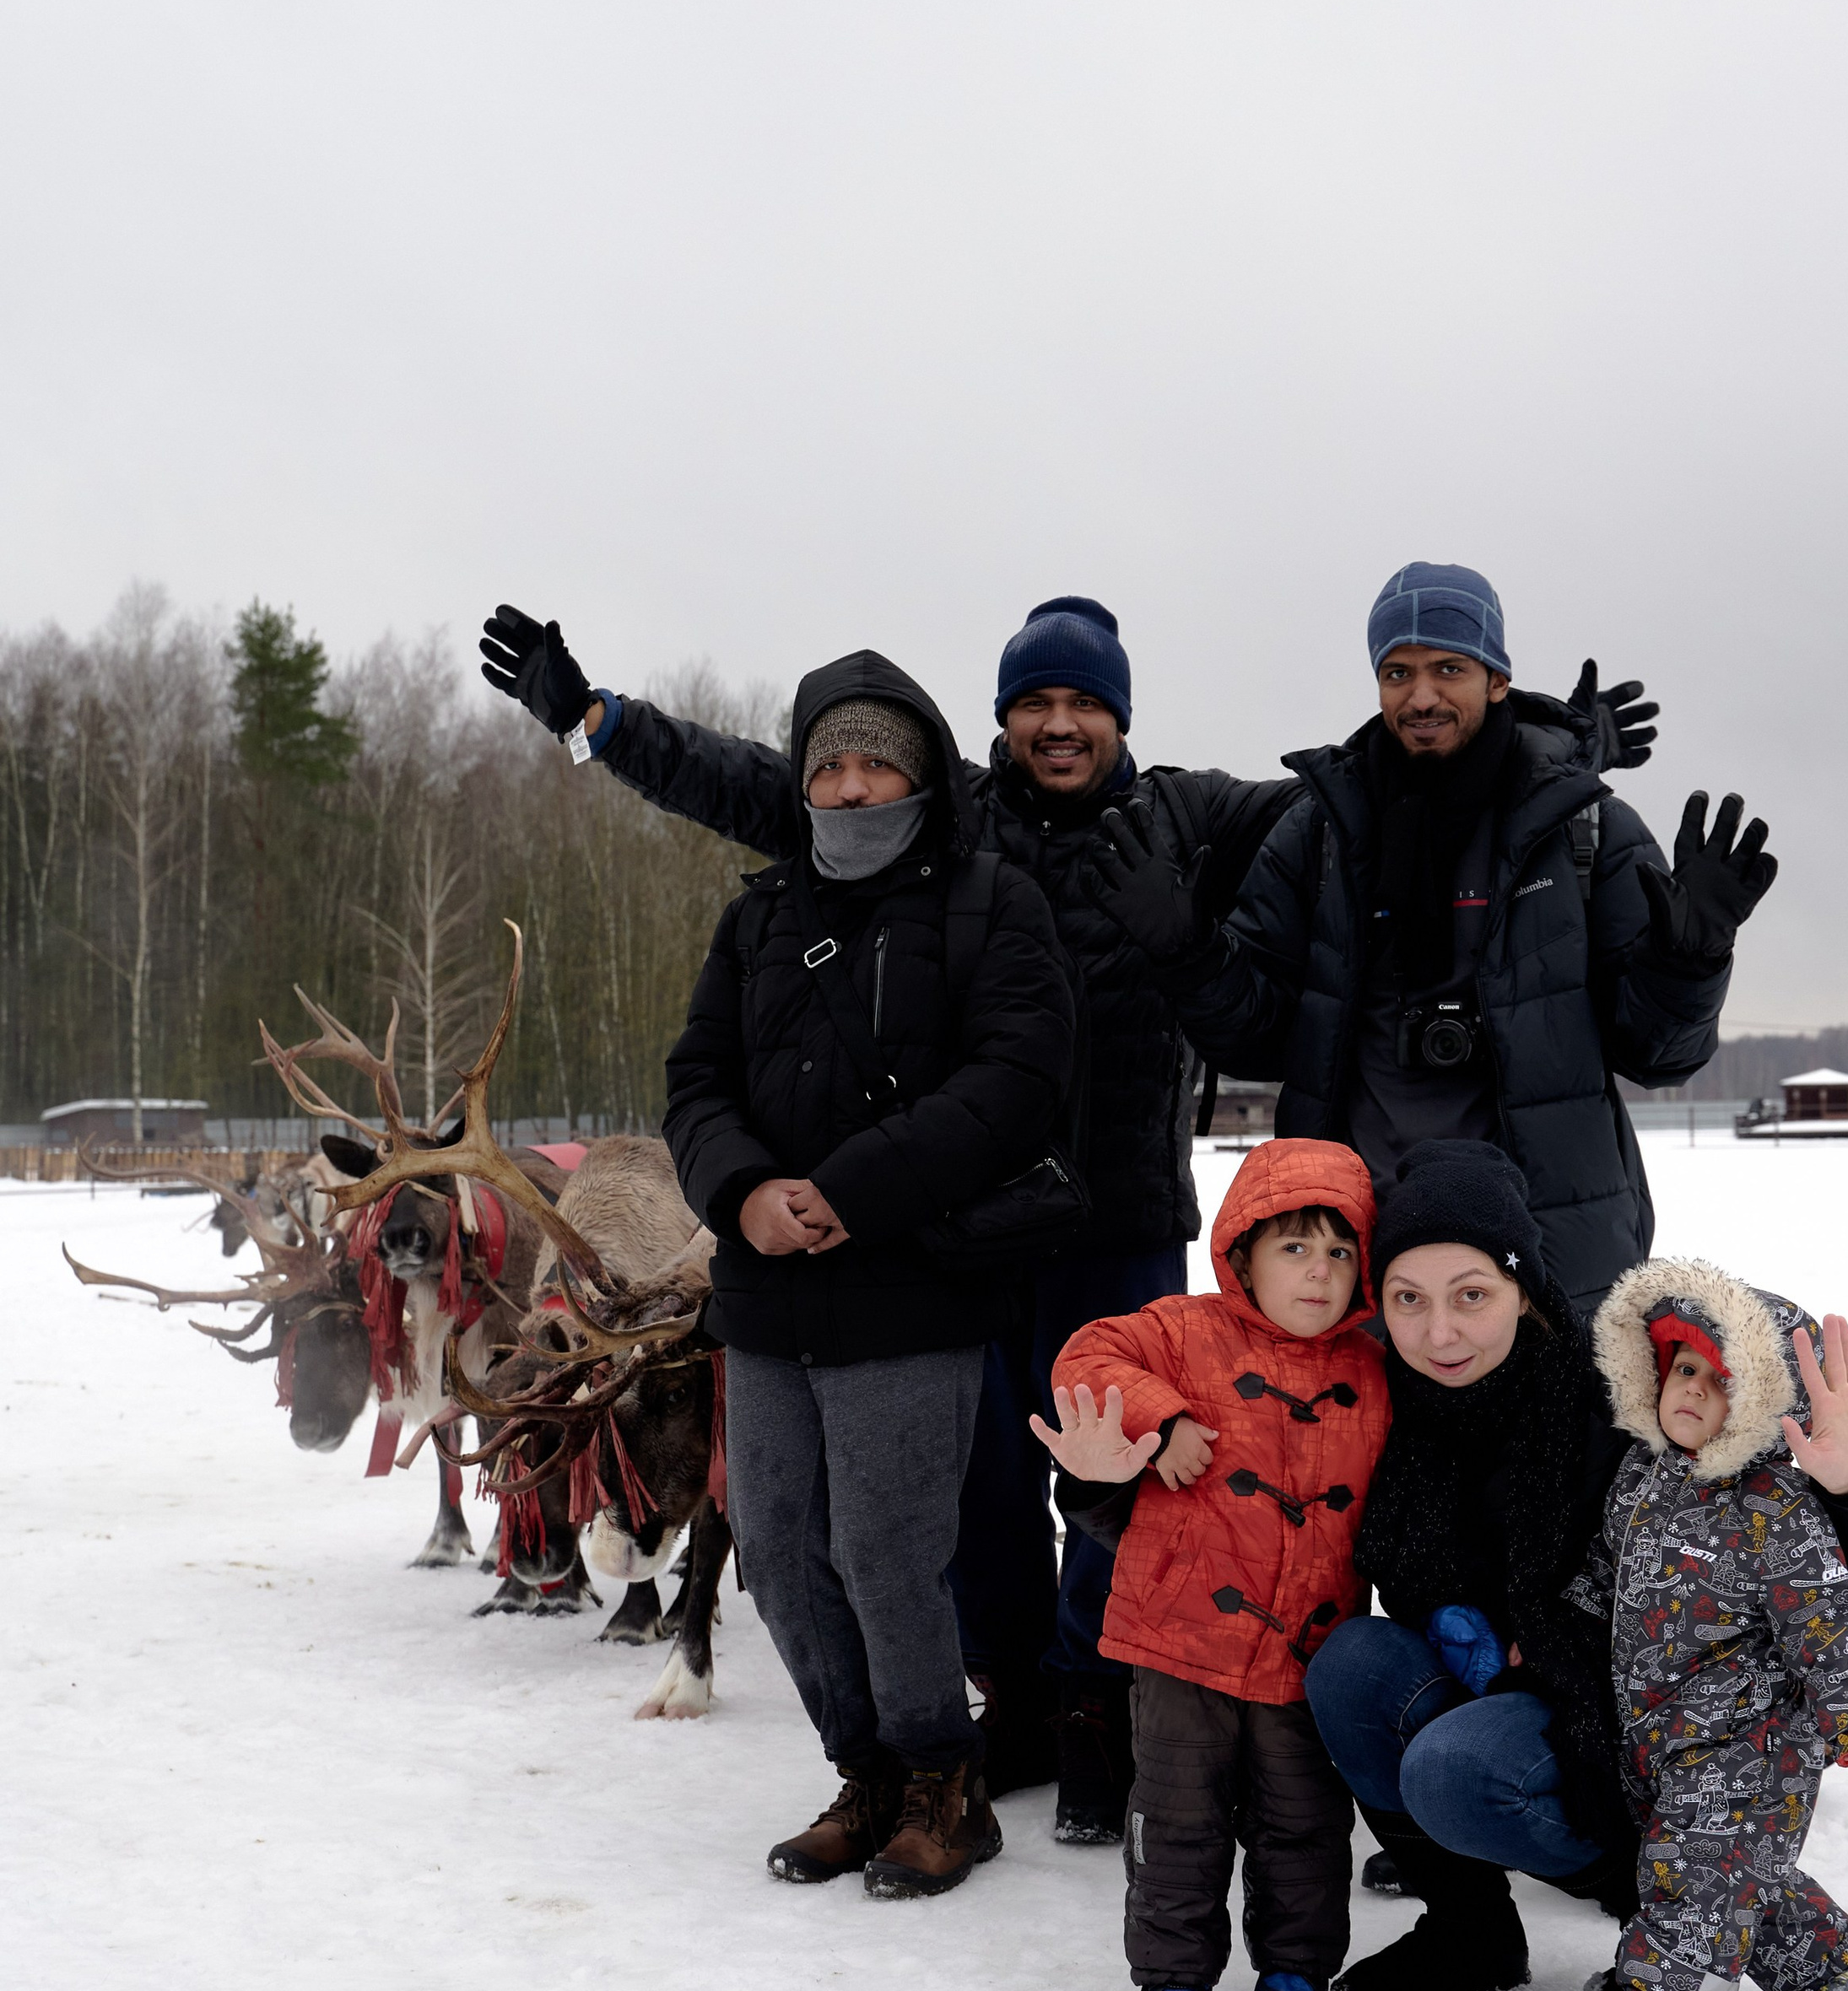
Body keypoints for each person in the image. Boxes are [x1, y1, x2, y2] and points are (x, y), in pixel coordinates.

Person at [478, 594, 1655, 1832]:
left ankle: (1101, 1701)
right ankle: (1020, 1698)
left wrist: (1530, 754)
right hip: (968, 1229)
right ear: (999, 721)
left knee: (1133, 1473)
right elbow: (752, 784)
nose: (1059, 724)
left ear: (1121, 717)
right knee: (983, 1486)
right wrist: (598, 721)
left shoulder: (1192, 817)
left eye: (1084, 702)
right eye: (1035, 702)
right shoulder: (944, 817)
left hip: (1124, 1216)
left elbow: (1368, 795)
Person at [1301, 1140, 1848, 1991]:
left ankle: (1673, 1903)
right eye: (1408, 1299)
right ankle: (1471, 1930)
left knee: (1453, 1773)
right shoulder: (1380, 1400)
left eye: (1472, 1295)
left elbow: (1804, 1579)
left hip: (1634, 1719)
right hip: (1499, 1674)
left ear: (1523, 1290)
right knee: (1353, 1663)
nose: (1440, 1332)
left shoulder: (1618, 1400)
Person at [661, 651, 1074, 1898]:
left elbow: (1015, 1082)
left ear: (924, 775)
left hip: (913, 1288)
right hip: (768, 1290)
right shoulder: (759, 917)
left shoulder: (990, 904)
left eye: (875, 760)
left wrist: (850, 1193)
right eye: (828, 763)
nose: (850, 786)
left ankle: (946, 1783)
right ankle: (867, 1772)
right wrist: (742, 1192)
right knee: (781, 1549)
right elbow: (697, 1081)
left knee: (889, 1552)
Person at [1113, 561, 1767, 1311]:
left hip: (1549, 1265)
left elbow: (1661, 1057)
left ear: (1496, 679)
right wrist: (1188, 954)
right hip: (1353, 1263)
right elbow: (1258, 1041)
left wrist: (1693, 956)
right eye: (1397, 673)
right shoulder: (1320, 833)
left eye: (1448, 668)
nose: (1420, 696)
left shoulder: (1584, 831)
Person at [1029, 1140, 1388, 1991]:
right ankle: (1171, 1978)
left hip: (1307, 1654)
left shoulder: (1376, 1374)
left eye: (1340, 1253)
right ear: (1242, 1256)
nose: (1319, 1273)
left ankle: (1297, 1967)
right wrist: (1164, 1417)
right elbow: (1086, 1354)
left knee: (1304, 1824)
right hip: (1179, 1642)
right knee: (1178, 1818)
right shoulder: (1181, 1331)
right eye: (1294, 1249)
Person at [1547, 1257, 1848, 1991]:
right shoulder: (1643, 1475)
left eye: (1720, 1382)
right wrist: (1557, 1630)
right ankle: (1847, 1990)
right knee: (1731, 1874)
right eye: (1683, 1368)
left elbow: (1831, 1616)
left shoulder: (1773, 1508)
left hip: (1754, 1740)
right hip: (1666, 1731)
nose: (1690, 1392)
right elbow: (1606, 1572)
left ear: (1763, 1404)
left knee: (1698, 1870)